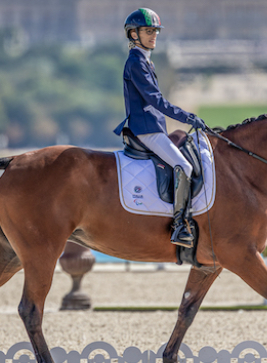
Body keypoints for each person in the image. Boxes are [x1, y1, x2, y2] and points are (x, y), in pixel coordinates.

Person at [113, 8, 208, 248]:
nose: (153, 35)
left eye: (155, 31)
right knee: (184, 166)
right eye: (148, 31)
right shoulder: (136, 62)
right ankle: (179, 226)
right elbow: (156, 101)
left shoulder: (144, 60)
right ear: (133, 34)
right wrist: (187, 117)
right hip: (147, 130)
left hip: (152, 127)